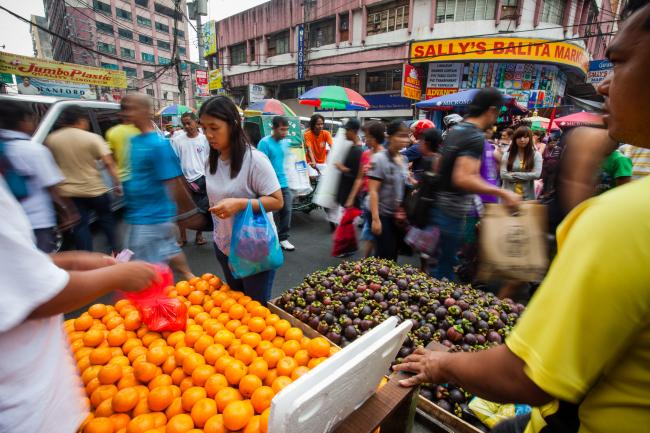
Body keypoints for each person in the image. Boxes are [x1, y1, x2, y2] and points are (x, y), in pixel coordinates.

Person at [394, 3, 650, 432]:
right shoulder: (620, 214)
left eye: (620, 61)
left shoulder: (622, 219)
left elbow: (527, 375)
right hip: (458, 215)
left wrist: (441, 364)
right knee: (445, 283)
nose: (605, 85)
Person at [0, 172, 157, 433]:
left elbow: (13, 267)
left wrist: (71, 261)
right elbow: (37, 294)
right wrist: (115, 276)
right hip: (24, 409)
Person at [431, 88, 520, 281]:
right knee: (444, 273)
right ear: (491, 110)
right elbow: (463, 177)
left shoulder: (457, 130)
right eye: (498, 113)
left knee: (444, 265)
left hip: (442, 207)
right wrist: (504, 194)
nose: (496, 119)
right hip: (452, 212)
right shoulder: (474, 136)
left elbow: (439, 165)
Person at [201, 96, 284, 303]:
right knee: (236, 304)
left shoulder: (255, 160)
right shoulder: (211, 160)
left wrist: (240, 204)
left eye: (214, 128)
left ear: (233, 125)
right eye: (204, 128)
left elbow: (277, 201)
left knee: (256, 310)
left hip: (254, 248)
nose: (208, 134)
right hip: (224, 246)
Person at [119, 94, 194, 280]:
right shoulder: (135, 141)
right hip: (139, 213)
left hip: (152, 217)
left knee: (146, 270)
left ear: (145, 111)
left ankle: (160, 300)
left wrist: (170, 219)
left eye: (131, 108)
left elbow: (172, 183)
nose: (126, 112)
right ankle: (191, 281)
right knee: (166, 251)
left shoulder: (159, 145)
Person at [46, 106, 121, 253]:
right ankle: (116, 252)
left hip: (70, 193)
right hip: (95, 189)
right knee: (107, 221)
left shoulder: (51, 139)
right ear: (81, 120)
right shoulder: (92, 138)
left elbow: (51, 165)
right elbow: (109, 163)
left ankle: (86, 257)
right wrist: (117, 183)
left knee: (80, 226)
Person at [0, 100, 66, 253]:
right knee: (44, 260)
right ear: (23, 120)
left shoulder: (6, 145)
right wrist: (67, 211)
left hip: (8, 222)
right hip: (37, 220)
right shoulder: (33, 150)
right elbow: (51, 185)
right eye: (32, 119)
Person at [367, 120, 410, 262]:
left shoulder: (404, 159)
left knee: (392, 256)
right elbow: (373, 191)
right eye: (401, 135)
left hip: (396, 217)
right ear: (389, 137)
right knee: (384, 257)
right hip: (382, 215)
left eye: (407, 136)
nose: (405, 140)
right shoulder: (379, 159)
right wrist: (375, 219)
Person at [346, 121, 386, 258]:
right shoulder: (365, 154)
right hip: (366, 196)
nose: (365, 139)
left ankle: (368, 260)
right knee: (370, 230)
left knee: (372, 230)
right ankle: (368, 260)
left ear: (375, 138)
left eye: (367, 137)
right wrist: (351, 198)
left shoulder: (385, 156)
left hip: (380, 199)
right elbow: (359, 178)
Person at [170, 112, 209, 246]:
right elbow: (174, 161)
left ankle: (199, 236)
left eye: (189, 123)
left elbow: (209, 160)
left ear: (196, 122)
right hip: (183, 181)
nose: (186, 126)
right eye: (184, 123)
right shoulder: (177, 140)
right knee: (182, 210)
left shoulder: (204, 139)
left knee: (200, 211)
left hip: (201, 179)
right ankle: (182, 238)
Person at [257, 116, 295, 252]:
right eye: (281, 129)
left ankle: (283, 238)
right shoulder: (264, 143)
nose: (284, 133)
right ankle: (268, 238)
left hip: (283, 182)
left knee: (287, 210)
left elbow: (285, 163)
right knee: (269, 213)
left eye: (286, 130)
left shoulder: (285, 143)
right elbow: (260, 165)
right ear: (273, 128)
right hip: (268, 185)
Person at [500, 126, 543, 201]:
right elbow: (503, 174)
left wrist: (513, 174)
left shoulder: (536, 155)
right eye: (519, 137)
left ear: (530, 138)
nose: (522, 140)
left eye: (525, 137)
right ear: (515, 139)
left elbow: (536, 174)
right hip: (508, 197)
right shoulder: (507, 154)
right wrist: (527, 176)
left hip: (527, 198)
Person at [105, 108, 140, 184]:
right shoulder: (141, 130)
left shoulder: (112, 132)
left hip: (123, 179)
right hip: (141, 178)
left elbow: (110, 160)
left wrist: (116, 182)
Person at [335, 118, 363, 208]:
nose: (345, 132)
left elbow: (357, 176)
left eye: (347, 130)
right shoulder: (352, 147)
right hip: (345, 195)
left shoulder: (358, 151)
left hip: (350, 199)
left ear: (354, 131)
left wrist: (342, 168)